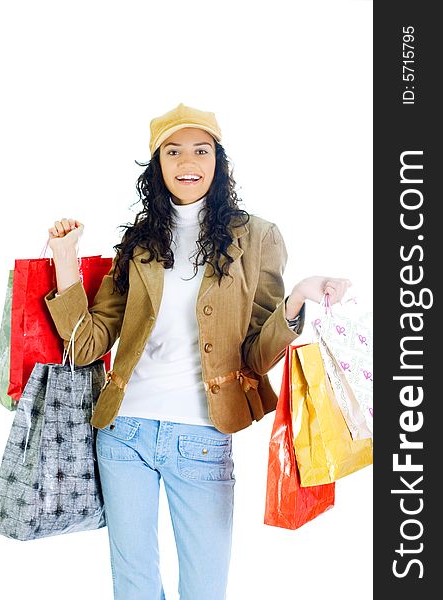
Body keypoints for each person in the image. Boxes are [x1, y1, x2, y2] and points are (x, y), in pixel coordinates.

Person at [44, 102, 351, 600]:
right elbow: (86, 346)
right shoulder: (139, 244)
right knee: (135, 587)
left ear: (218, 160)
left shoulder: (256, 237)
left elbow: (255, 355)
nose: (188, 161)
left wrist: (297, 299)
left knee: (205, 590)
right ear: (158, 165)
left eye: (201, 150)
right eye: (174, 151)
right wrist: (65, 262)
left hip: (202, 437)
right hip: (124, 434)